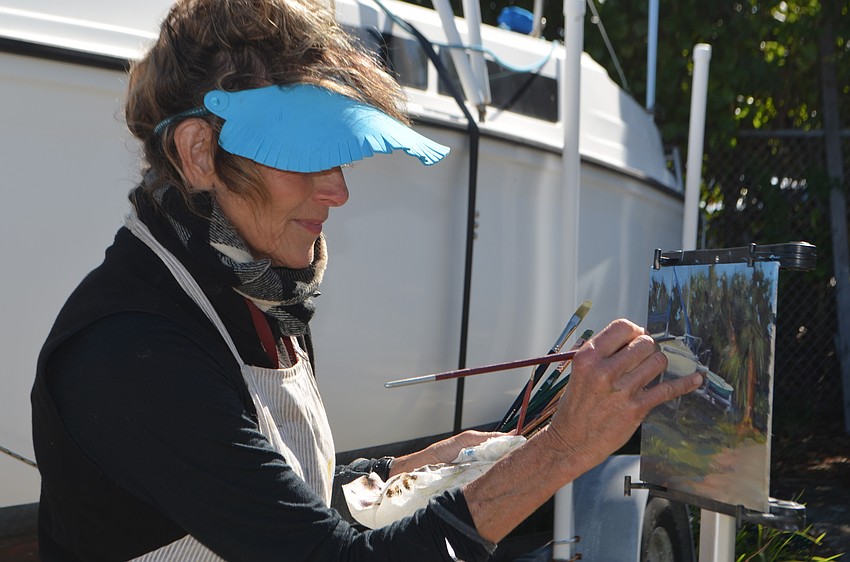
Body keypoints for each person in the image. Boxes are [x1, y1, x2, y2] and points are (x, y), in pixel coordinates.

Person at [30, 0, 703, 560]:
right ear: (200, 153)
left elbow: (284, 502)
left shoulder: (253, 294)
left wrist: (419, 463)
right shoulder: (131, 350)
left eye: (341, 156)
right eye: (305, 156)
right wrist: (560, 452)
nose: (339, 192)